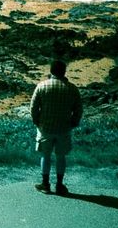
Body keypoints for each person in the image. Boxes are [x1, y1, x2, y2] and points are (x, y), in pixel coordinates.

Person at [30, 59, 83, 195]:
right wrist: (73, 122)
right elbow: (78, 109)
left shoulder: (42, 86)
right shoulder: (72, 89)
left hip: (45, 128)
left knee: (45, 155)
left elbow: (33, 107)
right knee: (61, 157)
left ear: (51, 71)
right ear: (64, 72)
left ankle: (45, 184)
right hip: (64, 128)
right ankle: (59, 185)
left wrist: (37, 121)